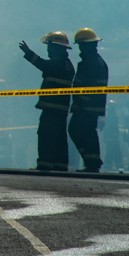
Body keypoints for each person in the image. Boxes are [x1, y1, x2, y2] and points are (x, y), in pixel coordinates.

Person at [18, 32, 75, 171]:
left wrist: (28, 52)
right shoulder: (68, 64)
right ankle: (60, 166)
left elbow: (43, 65)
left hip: (52, 109)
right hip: (60, 109)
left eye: (49, 47)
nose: (48, 50)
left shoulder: (58, 63)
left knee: (46, 135)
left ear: (56, 48)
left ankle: (45, 164)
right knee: (59, 138)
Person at [68, 27, 109, 173]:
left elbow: (89, 87)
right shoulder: (96, 61)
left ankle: (92, 162)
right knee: (86, 133)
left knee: (77, 130)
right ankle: (92, 162)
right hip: (88, 106)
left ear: (87, 45)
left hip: (85, 107)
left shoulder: (91, 63)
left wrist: (80, 102)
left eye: (81, 45)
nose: (80, 48)